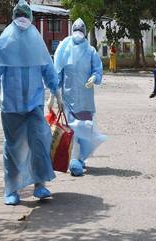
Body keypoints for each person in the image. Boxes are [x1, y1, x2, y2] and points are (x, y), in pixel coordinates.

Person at [0, 0, 63, 205]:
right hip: (11, 105)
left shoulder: (36, 39)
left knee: (39, 143)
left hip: (33, 104)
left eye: (24, 16)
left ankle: (40, 184)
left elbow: (47, 68)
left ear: (29, 18)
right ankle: (11, 189)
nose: (22, 20)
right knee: (13, 147)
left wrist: (56, 92)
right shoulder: (6, 39)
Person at [49, 18, 106, 177]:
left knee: (85, 129)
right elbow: (57, 75)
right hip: (68, 97)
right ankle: (74, 160)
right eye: (77, 32)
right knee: (72, 129)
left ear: (85, 33)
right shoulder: (64, 50)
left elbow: (98, 70)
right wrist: (54, 96)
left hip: (85, 99)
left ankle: (80, 159)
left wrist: (94, 78)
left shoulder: (91, 51)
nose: (79, 35)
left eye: (81, 32)